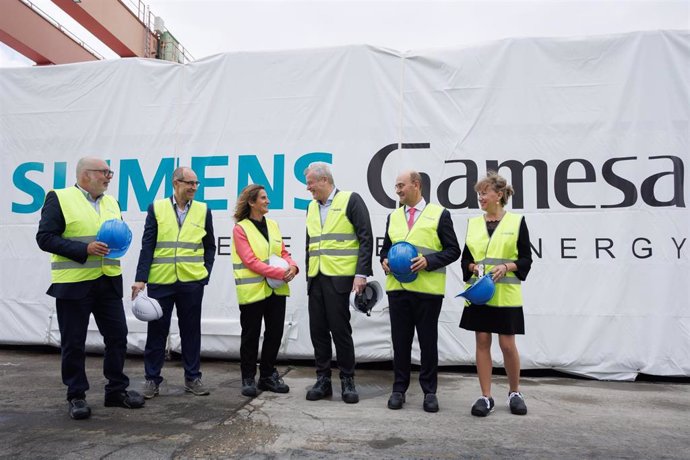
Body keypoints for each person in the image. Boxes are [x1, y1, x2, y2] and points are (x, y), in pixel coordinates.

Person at [36, 157, 145, 420]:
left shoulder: (111, 202)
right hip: (73, 284)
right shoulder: (59, 198)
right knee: (74, 342)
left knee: (118, 337)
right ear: (86, 175)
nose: (109, 177)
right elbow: (45, 238)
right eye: (104, 172)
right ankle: (76, 395)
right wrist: (83, 249)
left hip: (107, 281)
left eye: (110, 172)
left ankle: (116, 391)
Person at [131, 166, 216, 398]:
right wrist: (141, 279)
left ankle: (193, 378)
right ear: (176, 183)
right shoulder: (156, 208)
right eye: (190, 183)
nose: (194, 188)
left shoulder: (203, 210)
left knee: (191, 331)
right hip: (161, 281)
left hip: (191, 281)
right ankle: (152, 380)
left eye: (196, 184)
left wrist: (204, 274)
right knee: (157, 332)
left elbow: (210, 246)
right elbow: (147, 245)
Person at [380, 170, 460, 413]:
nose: (398, 190)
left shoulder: (439, 214)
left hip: (427, 291)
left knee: (428, 342)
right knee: (400, 342)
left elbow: (453, 250)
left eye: (401, 185)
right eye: (396, 186)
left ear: (416, 185)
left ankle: (429, 392)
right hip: (398, 290)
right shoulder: (393, 216)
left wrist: (428, 261)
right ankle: (398, 389)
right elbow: (385, 250)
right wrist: (383, 261)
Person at [459, 171, 533, 417]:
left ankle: (514, 392)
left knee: (507, 345)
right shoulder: (473, 224)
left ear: (498, 195)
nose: (480, 198)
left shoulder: (516, 222)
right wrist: (472, 267)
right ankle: (485, 396)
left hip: (507, 294)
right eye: (478, 194)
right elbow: (466, 259)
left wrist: (507, 266)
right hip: (480, 294)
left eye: (484, 193)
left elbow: (525, 259)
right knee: (481, 340)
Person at [304, 162, 373, 404]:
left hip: (340, 279)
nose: (308, 188)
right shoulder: (311, 208)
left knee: (340, 331)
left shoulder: (350, 200)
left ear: (324, 180)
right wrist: (308, 279)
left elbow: (366, 237)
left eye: (311, 182)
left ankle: (347, 380)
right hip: (317, 279)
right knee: (318, 332)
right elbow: (310, 245)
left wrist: (361, 273)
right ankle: (322, 380)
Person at [231, 184, 298, 397]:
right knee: (250, 335)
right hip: (253, 292)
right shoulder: (241, 229)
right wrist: (280, 273)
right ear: (252, 202)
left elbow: (283, 252)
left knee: (274, 334)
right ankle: (248, 378)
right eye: (263, 198)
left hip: (276, 291)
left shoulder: (273, 225)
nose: (268, 201)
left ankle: (267, 376)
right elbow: (250, 261)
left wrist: (293, 266)